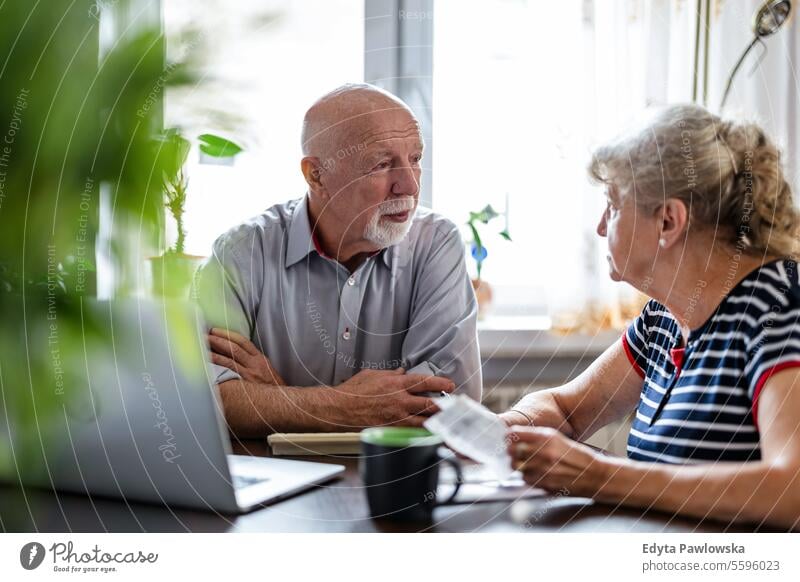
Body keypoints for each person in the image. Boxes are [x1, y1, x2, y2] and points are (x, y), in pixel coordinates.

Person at [501, 104, 800, 529]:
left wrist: (600, 475)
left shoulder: (779, 305)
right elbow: (568, 410)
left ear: (667, 221)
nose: (602, 227)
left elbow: (792, 491)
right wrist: (506, 428)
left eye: (614, 205)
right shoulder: (664, 318)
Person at [194, 84, 481, 437]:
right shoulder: (241, 253)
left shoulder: (436, 242)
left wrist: (279, 397)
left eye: (416, 159)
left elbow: (449, 404)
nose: (408, 185)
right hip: (277, 481)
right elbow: (205, 402)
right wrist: (349, 405)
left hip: (397, 480)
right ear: (317, 175)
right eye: (382, 164)